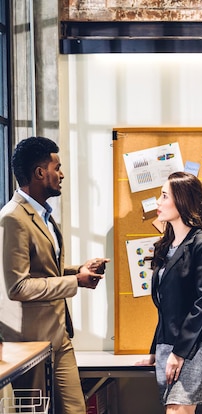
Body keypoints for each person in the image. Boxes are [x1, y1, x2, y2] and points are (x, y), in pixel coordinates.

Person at [0, 136, 109, 413]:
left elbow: (45, 271)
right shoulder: (13, 218)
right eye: (57, 167)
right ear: (39, 172)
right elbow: (18, 287)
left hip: (59, 337)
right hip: (30, 343)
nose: (61, 175)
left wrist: (79, 270)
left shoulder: (44, 216)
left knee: (75, 410)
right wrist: (75, 282)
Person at [136, 171, 202, 414]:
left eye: (164, 196)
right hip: (166, 345)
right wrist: (155, 350)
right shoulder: (167, 246)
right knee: (173, 410)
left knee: (177, 410)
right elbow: (166, 307)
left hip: (191, 346)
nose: (158, 202)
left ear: (183, 201)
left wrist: (179, 352)